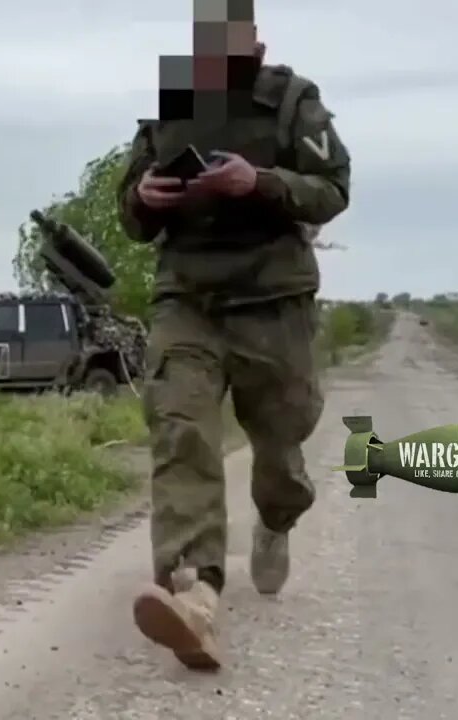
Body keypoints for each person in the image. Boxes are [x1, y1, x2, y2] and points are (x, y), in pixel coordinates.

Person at [116, 10, 351, 671]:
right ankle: (195, 594)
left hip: (274, 302)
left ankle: (275, 520)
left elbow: (333, 190)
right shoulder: (175, 105)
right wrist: (144, 196)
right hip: (188, 299)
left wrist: (261, 182)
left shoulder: (293, 102)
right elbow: (130, 212)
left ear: (256, 47)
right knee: (180, 429)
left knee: (283, 443)